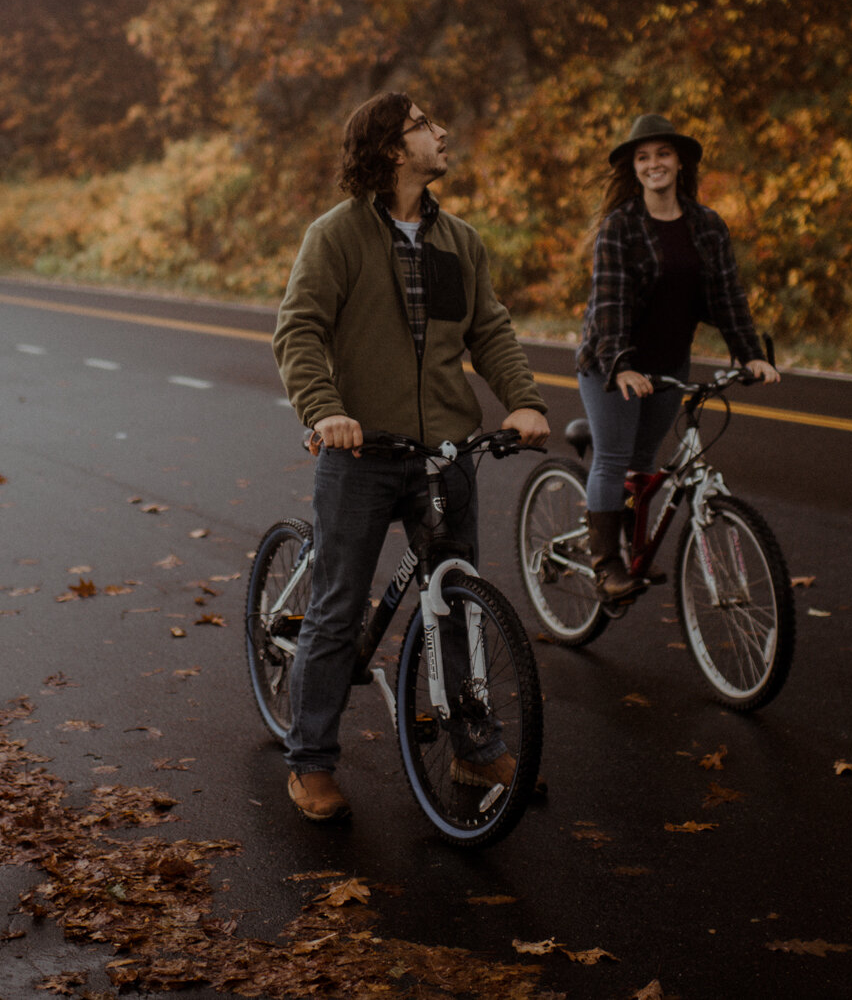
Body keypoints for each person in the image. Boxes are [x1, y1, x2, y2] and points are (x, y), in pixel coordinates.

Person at [273, 91, 550, 823]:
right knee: (337, 611)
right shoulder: (335, 237)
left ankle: (472, 742)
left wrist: (523, 400)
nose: (442, 132)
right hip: (361, 452)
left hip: (446, 454)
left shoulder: (457, 239)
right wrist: (326, 411)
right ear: (394, 150)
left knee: (454, 605)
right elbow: (299, 331)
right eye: (426, 125)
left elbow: (488, 329)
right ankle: (311, 762)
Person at [575, 113, 778, 598]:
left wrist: (750, 355)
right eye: (643, 158)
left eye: (662, 154)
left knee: (644, 461)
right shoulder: (620, 227)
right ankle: (606, 565)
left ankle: (635, 549)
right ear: (635, 168)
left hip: (669, 363)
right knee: (614, 457)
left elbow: (728, 295)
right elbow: (610, 304)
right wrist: (622, 364)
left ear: (681, 162)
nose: (653, 164)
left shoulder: (707, 226)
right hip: (610, 361)